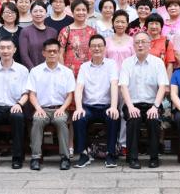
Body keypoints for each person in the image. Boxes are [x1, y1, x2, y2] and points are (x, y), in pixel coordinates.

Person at [119, 32, 170, 169]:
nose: (140, 45)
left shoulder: (158, 63)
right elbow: (123, 86)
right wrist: (130, 106)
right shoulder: (127, 63)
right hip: (132, 103)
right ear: (133, 45)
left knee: (153, 120)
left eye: (143, 42)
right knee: (134, 119)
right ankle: (132, 158)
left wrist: (155, 106)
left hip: (152, 104)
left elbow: (162, 87)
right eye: (137, 42)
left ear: (150, 44)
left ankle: (154, 157)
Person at [71, 35, 121, 168]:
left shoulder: (111, 64)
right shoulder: (84, 67)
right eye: (93, 46)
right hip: (88, 107)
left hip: (106, 106)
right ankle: (83, 154)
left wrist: (114, 107)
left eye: (100, 45)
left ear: (105, 48)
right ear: (89, 49)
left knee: (113, 116)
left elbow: (114, 85)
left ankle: (111, 154)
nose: (97, 48)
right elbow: (79, 88)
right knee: (78, 117)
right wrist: (79, 108)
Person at [0, 37, 30, 170]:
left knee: (18, 117)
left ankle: (17, 158)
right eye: (2, 48)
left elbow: (26, 93)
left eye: (9, 48)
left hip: (15, 106)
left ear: (14, 50)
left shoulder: (22, 70)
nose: (5, 51)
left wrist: (19, 104)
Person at [26, 38, 76, 171]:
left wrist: (63, 108)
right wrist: (38, 108)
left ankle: (65, 158)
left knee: (60, 121)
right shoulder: (35, 71)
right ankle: (36, 157)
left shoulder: (67, 72)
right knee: (37, 120)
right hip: (42, 108)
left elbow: (70, 95)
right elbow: (32, 94)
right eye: (49, 51)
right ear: (43, 53)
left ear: (59, 52)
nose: (52, 53)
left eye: (55, 51)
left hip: (60, 108)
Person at [58, 0, 98, 75]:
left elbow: (96, 52)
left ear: (87, 12)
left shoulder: (92, 31)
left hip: (89, 72)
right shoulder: (65, 31)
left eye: (84, 10)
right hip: (69, 73)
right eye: (78, 10)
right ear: (72, 12)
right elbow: (60, 54)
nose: (81, 12)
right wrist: (63, 73)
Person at [18, 1, 58, 70]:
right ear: (31, 14)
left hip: (51, 70)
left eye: (41, 11)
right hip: (32, 71)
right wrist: (34, 71)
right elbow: (24, 55)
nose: (38, 14)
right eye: (35, 11)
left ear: (46, 13)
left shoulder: (53, 32)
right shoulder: (25, 31)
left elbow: (56, 52)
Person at [144, 14, 177, 79]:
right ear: (147, 26)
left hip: (160, 78)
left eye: (156, 24)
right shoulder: (141, 41)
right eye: (151, 23)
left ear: (161, 26)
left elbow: (170, 65)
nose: (154, 26)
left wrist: (167, 83)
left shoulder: (167, 42)